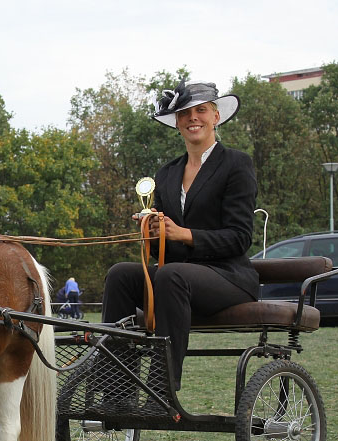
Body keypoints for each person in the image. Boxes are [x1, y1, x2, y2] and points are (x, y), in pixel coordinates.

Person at [102, 80, 259, 390]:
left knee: (171, 276)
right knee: (120, 274)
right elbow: (163, 254)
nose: (193, 118)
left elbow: (240, 238)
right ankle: (117, 387)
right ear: (176, 122)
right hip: (177, 279)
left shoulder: (236, 165)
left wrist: (183, 233)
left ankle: (162, 386)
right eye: (185, 113)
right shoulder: (167, 173)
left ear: (216, 116)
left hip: (227, 277)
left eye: (201, 111)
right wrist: (152, 231)